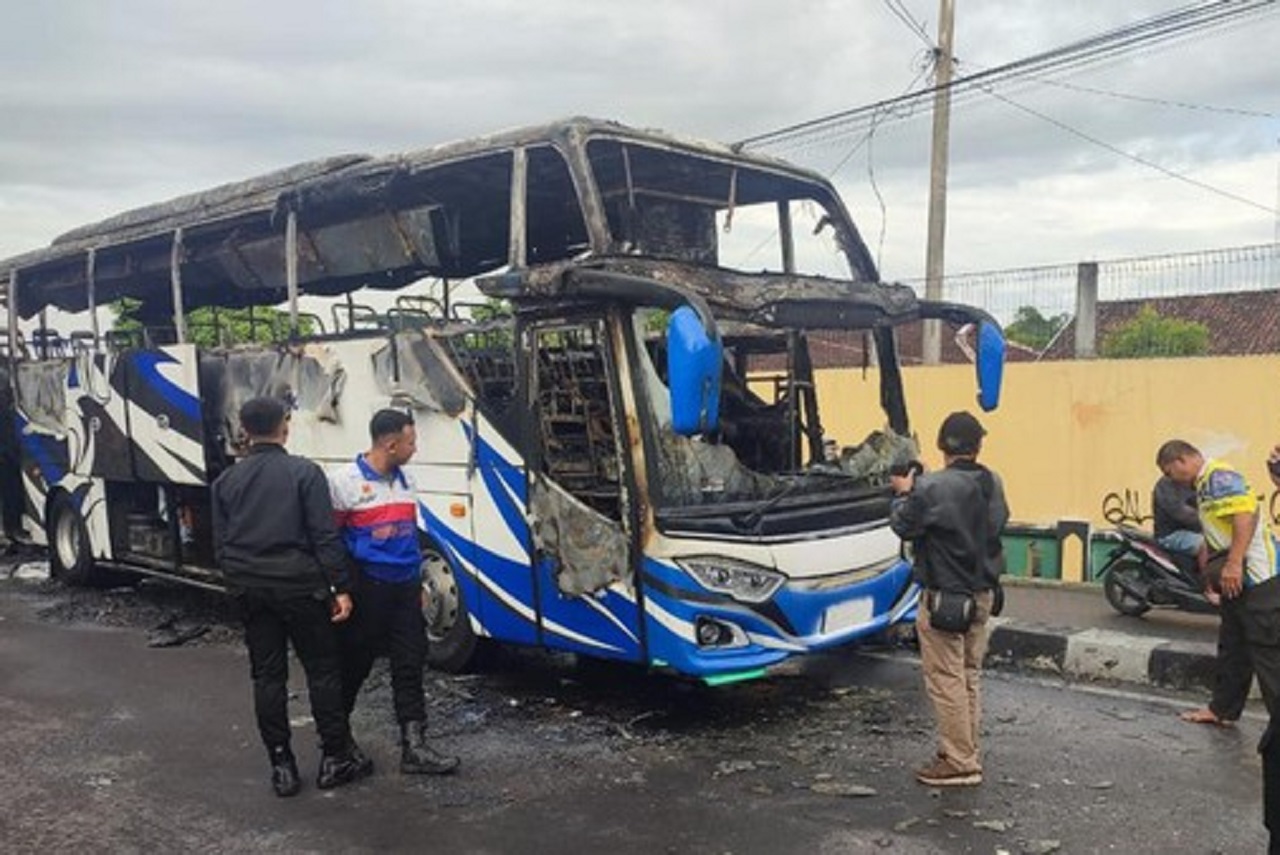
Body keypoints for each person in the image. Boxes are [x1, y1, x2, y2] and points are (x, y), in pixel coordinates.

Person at [211, 397, 372, 797]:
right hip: (301, 587)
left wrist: (237, 582)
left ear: (244, 431)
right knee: (322, 670)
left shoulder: (225, 482)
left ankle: (281, 765)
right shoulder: (305, 473)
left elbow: (220, 544)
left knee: (267, 676)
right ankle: (335, 758)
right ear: (285, 426)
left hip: (251, 588)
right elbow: (324, 536)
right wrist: (341, 587)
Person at [330, 408, 460, 776]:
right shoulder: (344, 482)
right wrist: (341, 588)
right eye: (411, 442)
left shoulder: (407, 481)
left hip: (405, 589)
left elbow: (409, 534)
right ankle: (338, 740)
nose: (414, 449)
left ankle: (414, 747)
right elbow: (331, 539)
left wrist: (418, 581)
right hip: (368, 588)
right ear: (390, 444)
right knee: (355, 665)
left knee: (410, 664)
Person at [889, 410, 1009, 787]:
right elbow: (998, 521)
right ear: (978, 445)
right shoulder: (993, 481)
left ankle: (959, 762)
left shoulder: (931, 487)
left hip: (945, 597)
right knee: (969, 675)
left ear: (942, 446)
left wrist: (904, 493)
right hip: (983, 592)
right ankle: (965, 750)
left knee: (945, 679)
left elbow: (903, 526)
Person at [1160, 440, 1280, 730]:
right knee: (1233, 646)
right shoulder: (1205, 485)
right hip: (1235, 580)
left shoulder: (1219, 477)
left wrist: (1235, 563)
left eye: (1168, 471)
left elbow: (1244, 515)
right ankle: (1222, 709)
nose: (1170, 478)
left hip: (1257, 577)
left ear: (1181, 461)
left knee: (1267, 651)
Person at [1152, 472, 1203, 557]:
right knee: (1205, 545)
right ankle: (1209, 570)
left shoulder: (1199, 480)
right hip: (1170, 534)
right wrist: (1206, 520)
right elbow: (1181, 513)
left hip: (1195, 531)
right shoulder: (1166, 485)